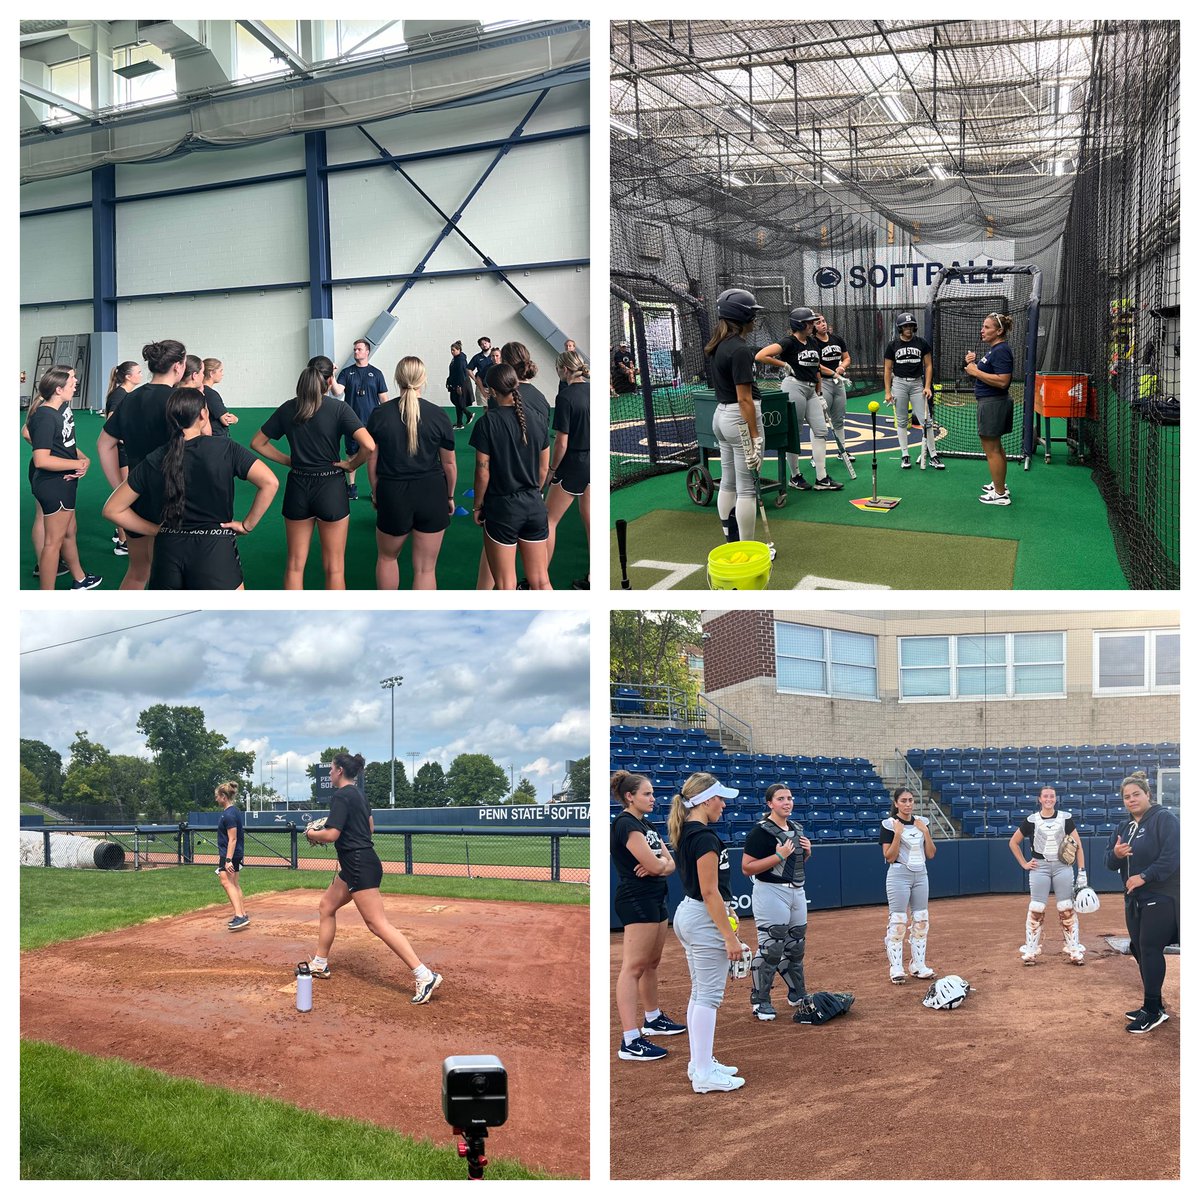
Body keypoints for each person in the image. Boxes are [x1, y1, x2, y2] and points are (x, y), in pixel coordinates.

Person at [102, 387, 278, 589]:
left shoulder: (156, 458)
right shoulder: (226, 448)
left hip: (167, 552)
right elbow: (270, 483)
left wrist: (154, 529)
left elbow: (112, 509)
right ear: (203, 415)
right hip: (215, 551)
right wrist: (247, 525)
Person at [304, 752, 443, 1003]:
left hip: (358, 864)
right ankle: (320, 963)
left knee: (377, 924)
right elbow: (369, 828)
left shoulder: (341, 796)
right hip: (358, 863)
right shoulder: (358, 794)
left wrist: (312, 833)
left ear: (339, 771)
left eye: (331, 769)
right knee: (327, 906)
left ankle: (424, 974)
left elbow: (332, 834)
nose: (329, 773)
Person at [252, 360, 376, 589]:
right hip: (331, 488)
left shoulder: (288, 408)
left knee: (294, 566)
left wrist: (289, 461)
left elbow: (258, 443)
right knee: (335, 567)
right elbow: (369, 446)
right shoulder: (339, 408)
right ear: (329, 381)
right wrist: (351, 465)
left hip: (298, 486)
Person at [669, 772, 745, 1093]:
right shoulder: (704, 838)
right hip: (702, 917)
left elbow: (711, 892)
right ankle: (702, 1074)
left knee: (700, 993)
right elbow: (710, 892)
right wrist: (729, 937)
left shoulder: (688, 832)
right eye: (720, 799)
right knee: (709, 997)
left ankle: (699, 1062)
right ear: (704, 800)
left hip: (691, 913)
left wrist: (727, 913)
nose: (724, 805)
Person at [97, 338, 188, 589]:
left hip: (136, 492)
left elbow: (104, 444)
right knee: (179, 571)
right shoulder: (180, 400)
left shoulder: (129, 399)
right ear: (179, 367)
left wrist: (120, 487)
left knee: (138, 571)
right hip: (175, 494)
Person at [366, 356, 457, 590]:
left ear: (397, 379)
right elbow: (449, 465)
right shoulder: (439, 415)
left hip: (393, 492)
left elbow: (372, 458)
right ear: (423, 380)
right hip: (432, 492)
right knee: (426, 569)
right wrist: (449, 495)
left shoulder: (380, 414)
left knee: (387, 558)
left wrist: (377, 492)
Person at [611, 771, 682, 1063]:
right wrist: (659, 864)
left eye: (652, 794)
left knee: (652, 963)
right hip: (636, 899)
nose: (653, 798)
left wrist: (660, 864)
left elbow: (669, 864)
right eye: (647, 794)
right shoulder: (626, 823)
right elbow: (654, 864)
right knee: (633, 967)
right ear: (630, 796)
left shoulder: (646, 824)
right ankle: (630, 1039)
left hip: (655, 896)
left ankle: (652, 1018)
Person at [1106, 771, 1180, 1033]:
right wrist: (1115, 854)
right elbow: (1109, 862)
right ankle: (1155, 1005)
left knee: (1149, 949)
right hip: (1134, 899)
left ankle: (1151, 1010)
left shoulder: (1164, 819)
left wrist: (1144, 876)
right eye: (1127, 797)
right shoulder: (1123, 827)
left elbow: (1173, 858)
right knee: (1139, 949)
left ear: (1148, 794)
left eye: (1136, 794)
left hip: (1161, 896)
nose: (1131, 799)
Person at [470, 363, 551, 590]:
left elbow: (483, 472)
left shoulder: (487, 423)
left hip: (503, 509)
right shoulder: (537, 419)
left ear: (492, 391)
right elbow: (543, 469)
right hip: (535, 506)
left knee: (506, 584)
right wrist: (534, 493)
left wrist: (478, 506)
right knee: (542, 580)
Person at [741, 783, 813, 1021]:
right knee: (772, 946)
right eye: (781, 798)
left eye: (790, 798)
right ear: (770, 803)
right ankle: (760, 1000)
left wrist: (807, 852)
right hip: (771, 891)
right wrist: (778, 855)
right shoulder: (760, 832)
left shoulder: (796, 828)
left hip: (797, 891)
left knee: (796, 945)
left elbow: (796, 864)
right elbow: (747, 867)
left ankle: (797, 993)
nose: (787, 802)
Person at [26, 366, 101, 591]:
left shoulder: (58, 409)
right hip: (54, 485)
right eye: (71, 381)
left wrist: (83, 458)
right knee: (53, 543)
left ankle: (79, 578)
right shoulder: (46, 416)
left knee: (69, 531)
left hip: (64, 482)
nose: (76, 383)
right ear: (58, 389)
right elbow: (41, 459)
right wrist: (76, 464)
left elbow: (64, 443)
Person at [755, 306, 842, 491]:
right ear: (799, 324)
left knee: (820, 431)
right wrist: (783, 364)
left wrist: (819, 394)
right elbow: (761, 355)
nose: (812, 325)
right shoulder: (789, 342)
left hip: (811, 390)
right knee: (795, 432)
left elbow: (816, 368)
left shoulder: (812, 342)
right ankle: (795, 476)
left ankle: (822, 478)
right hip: (794, 386)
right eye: (809, 322)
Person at [705, 287, 767, 548]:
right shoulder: (739, 349)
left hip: (721, 417)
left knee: (728, 480)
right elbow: (744, 399)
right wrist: (755, 437)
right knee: (746, 488)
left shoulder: (720, 344)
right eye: (752, 314)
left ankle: (731, 541)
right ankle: (747, 549)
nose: (754, 318)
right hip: (739, 419)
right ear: (742, 316)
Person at [1009, 785, 1086, 966]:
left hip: (1062, 866)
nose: (1049, 799)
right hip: (1039, 866)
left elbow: (1078, 846)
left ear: (1056, 799)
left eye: (1052, 796)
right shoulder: (1031, 820)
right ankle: (1031, 949)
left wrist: (1082, 872)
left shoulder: (1065, 819)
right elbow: (1013, 843)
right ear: (1040, 799)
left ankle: (1073, 948)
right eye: (1045, 796)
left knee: (1066, 907)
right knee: (1036, 907)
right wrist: (1024, 863)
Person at [880, 787, 936, 984]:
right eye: (903, 800)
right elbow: (889, 857)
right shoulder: (889, 825)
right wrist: (897, 834)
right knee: (898, 921)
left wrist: (926, 832)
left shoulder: (922, 823)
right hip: (898, 875)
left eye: (911, 800)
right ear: (896, 803)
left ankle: (918, 964)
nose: (908, 804)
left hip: (921, 874)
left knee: (921, 920)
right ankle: (896, 967)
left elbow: (931, 854)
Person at [545, 349, 590, 589]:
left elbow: (561, 441)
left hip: (574, 463)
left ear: (563, 370)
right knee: (591, 522)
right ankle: (593, 578)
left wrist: (552, 469)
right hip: (594, 461)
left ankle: (539, 580)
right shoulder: (594, 389)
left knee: (548, 520)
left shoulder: (565, 396)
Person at [964, 312, 1015, 504]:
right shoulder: (994, 349)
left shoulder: (1001, 350)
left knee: (992, 449)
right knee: (996, 447)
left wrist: (975, 371)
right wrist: (972, 363)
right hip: (991, 402)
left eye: (987, 327)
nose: (982, 330)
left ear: (999, 331)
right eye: (983, 326)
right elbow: (986, 373)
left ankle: (1000, 494)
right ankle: (998, 484)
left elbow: (1003, 381)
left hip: (994, 403)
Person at [882, 314, 939, 470]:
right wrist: (888, 391)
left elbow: (928, 366)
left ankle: (933, 455)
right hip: (899, 384)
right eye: (905, 326)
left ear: (914, 327)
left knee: (926, 421)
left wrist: (927, 386)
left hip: (917, 384)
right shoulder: (892, 345)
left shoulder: (922, 343)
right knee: (901, 421)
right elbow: (887, 369)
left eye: (911, 326)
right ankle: (905, 455)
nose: (908, 329)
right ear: (900, 328)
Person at [336, 340, 389, 500]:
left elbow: (384, 399)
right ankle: (351, 487)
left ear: (367, 352)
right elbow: (338, 392)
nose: (356, 352)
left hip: (372, 422)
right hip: (351, 422)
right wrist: (331, 376)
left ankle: (375, 488)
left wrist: (388, 417)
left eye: (359, 349)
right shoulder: (346, 373)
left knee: (374, 455)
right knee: (351, 455)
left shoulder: (377, 373)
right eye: (355, 349)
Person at [104, 360, 142, 556]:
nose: (141, 375)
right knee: (124, 494)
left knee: (125, 493)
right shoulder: (120, 396)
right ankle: (122, 542)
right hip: (122, 453)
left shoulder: (124, 394)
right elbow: (111, 424)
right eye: (138, 372)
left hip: (126, 452)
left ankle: (120, 533)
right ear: (128, 376)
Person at [813, 313, 852, 460]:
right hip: (823, 383)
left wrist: (842, 367)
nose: (822, 324)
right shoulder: (813, 343)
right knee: (820, 421)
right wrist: (834, 373)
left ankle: (842, 451)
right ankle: (816, 456)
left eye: (823, 321)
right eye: (818, 323)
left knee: (839, 419)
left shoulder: (837, 339)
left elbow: (847, 358)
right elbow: (817, 365)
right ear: (813, 327)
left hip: (838, 383)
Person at [214, 782, 249, 930]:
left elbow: (232, 839)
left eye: (217, 796)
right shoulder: (233, 811)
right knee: (234, 883)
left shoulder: (228, 814)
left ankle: (240, 916)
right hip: (235, 854)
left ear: (223, 796)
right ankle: (242, 914)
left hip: (230, 854)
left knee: (226, 882)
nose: (216, 799)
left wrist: (228, 860)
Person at [202, 358, 237, 437]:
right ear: (211, 373)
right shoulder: (210, 394)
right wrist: (235, 419)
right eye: (220, 371)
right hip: (217, 438)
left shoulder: (198, 391)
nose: (222, 374)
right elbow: (226, 420)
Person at [447, 341, 473, 429]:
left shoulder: (460, 360)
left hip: (460, 385)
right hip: (455, 384)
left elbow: (461, 374)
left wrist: (459, 386)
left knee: (458, 402)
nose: (452, 352)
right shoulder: (456, 358)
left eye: (453, 350)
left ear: (459, 350)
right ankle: (459, 423)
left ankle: (468, 414)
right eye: (451, 350)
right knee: (457, 402)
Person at [466, 336, 494, 406]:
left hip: (495, 387)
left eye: (485, 343)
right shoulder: (477, 357)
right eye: (482, 344)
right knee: (483, 407)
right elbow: (468, 369)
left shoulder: (495, 355)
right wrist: (476, 380)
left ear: (490, 344)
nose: (484, 345)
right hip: (482, 387)